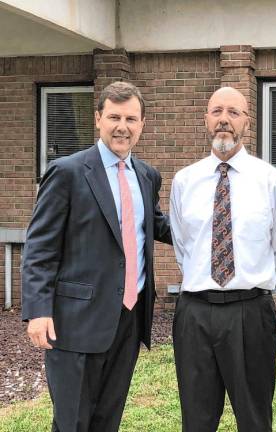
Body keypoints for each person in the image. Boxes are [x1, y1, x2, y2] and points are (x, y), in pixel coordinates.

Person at [22, 81, 172, 432]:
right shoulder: (68, 172)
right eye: (115, 117)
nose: (123, 126)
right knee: (72, 421)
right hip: (75, 320)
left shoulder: (147, 176)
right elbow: (40, 246)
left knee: (108, 419)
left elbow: (155, 225)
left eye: (131, 119)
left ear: (142, 124)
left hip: (128, 320)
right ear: (98, 119)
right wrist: (38, 310)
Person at [170, 86, 276, 432]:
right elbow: (183, 245)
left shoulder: (271, 180)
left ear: (246, 123)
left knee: (254, 418)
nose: (224, 119)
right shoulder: (184, 181)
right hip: (194, 314)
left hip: (250, 312)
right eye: (217, 111)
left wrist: (261, 292)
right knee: (196, 419)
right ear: (206, 120)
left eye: (233, 113)